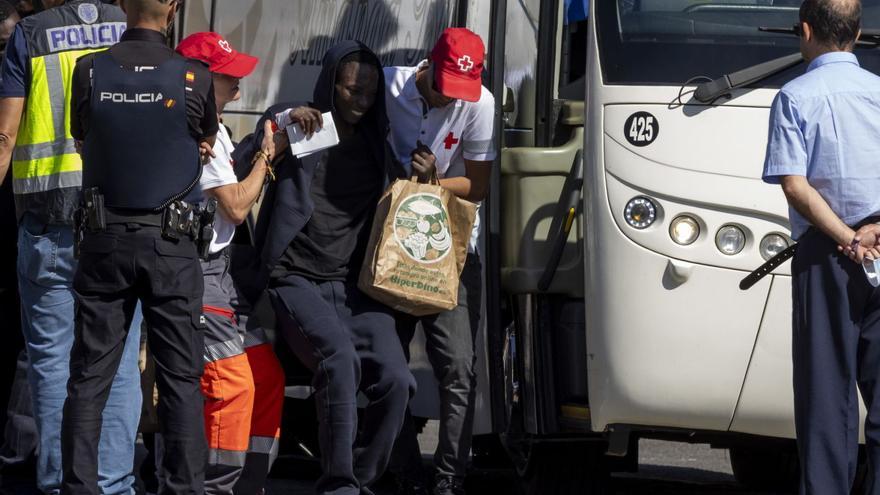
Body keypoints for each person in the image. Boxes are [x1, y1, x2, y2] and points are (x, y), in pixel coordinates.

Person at [238, 41, 418, 495]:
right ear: (331, 84)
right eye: (351, 90)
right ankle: (339, 486)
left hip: (352, 286)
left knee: (397, 379)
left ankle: (360, 475)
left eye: (370, 93)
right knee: (337, 359)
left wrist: (426, 175)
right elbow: (240, 163)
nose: (361, 102)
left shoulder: (380, 140)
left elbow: (403, 203)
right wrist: (278, 127)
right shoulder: (302, 125)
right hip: (294, 279)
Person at [59, 0, 218, 492]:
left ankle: (79, 487)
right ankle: (182, 487)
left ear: (124, 5)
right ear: (173, 8)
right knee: (180, 381)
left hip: (104, 241)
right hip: (172, 244)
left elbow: (82, 135)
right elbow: (205, 138)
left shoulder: (88, 71)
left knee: (90, 376)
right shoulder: (194, 77)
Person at [0, 1, 143, 493]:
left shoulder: (32, 35)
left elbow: (5, 135)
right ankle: (113, 484)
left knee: (53, 361)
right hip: (121, 227)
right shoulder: (131, 29)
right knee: (120, 365)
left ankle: (62, 484)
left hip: (51, 225)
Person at [761, 0, 880, 493]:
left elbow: (795, 185)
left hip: (826, 256)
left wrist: (849, 237)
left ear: (806, 30)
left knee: (826, 402)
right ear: (856, 32)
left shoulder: (794, 95)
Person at [384, 28, 496, 495]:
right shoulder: (389, 85)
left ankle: (449, 480)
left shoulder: (480, 104)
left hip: (451, 248)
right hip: (390, 245)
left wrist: (430, 184)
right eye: (445, 88)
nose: (453, 99)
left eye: (461, 91)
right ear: (427, 67)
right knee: (387, 368)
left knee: (458, 369)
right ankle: (405, 472)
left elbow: (478, 186)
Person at [175, 31, 286, 495]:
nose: (239, 87)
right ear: (197, 82)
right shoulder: (191, 129)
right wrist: (266, 157)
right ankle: (215, 486)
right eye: (228, 78)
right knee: (231, 386)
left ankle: (247, 484)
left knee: (267, 375)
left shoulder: (214, 128)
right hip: (197, 273)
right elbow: (237, 207)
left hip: (220, 273)